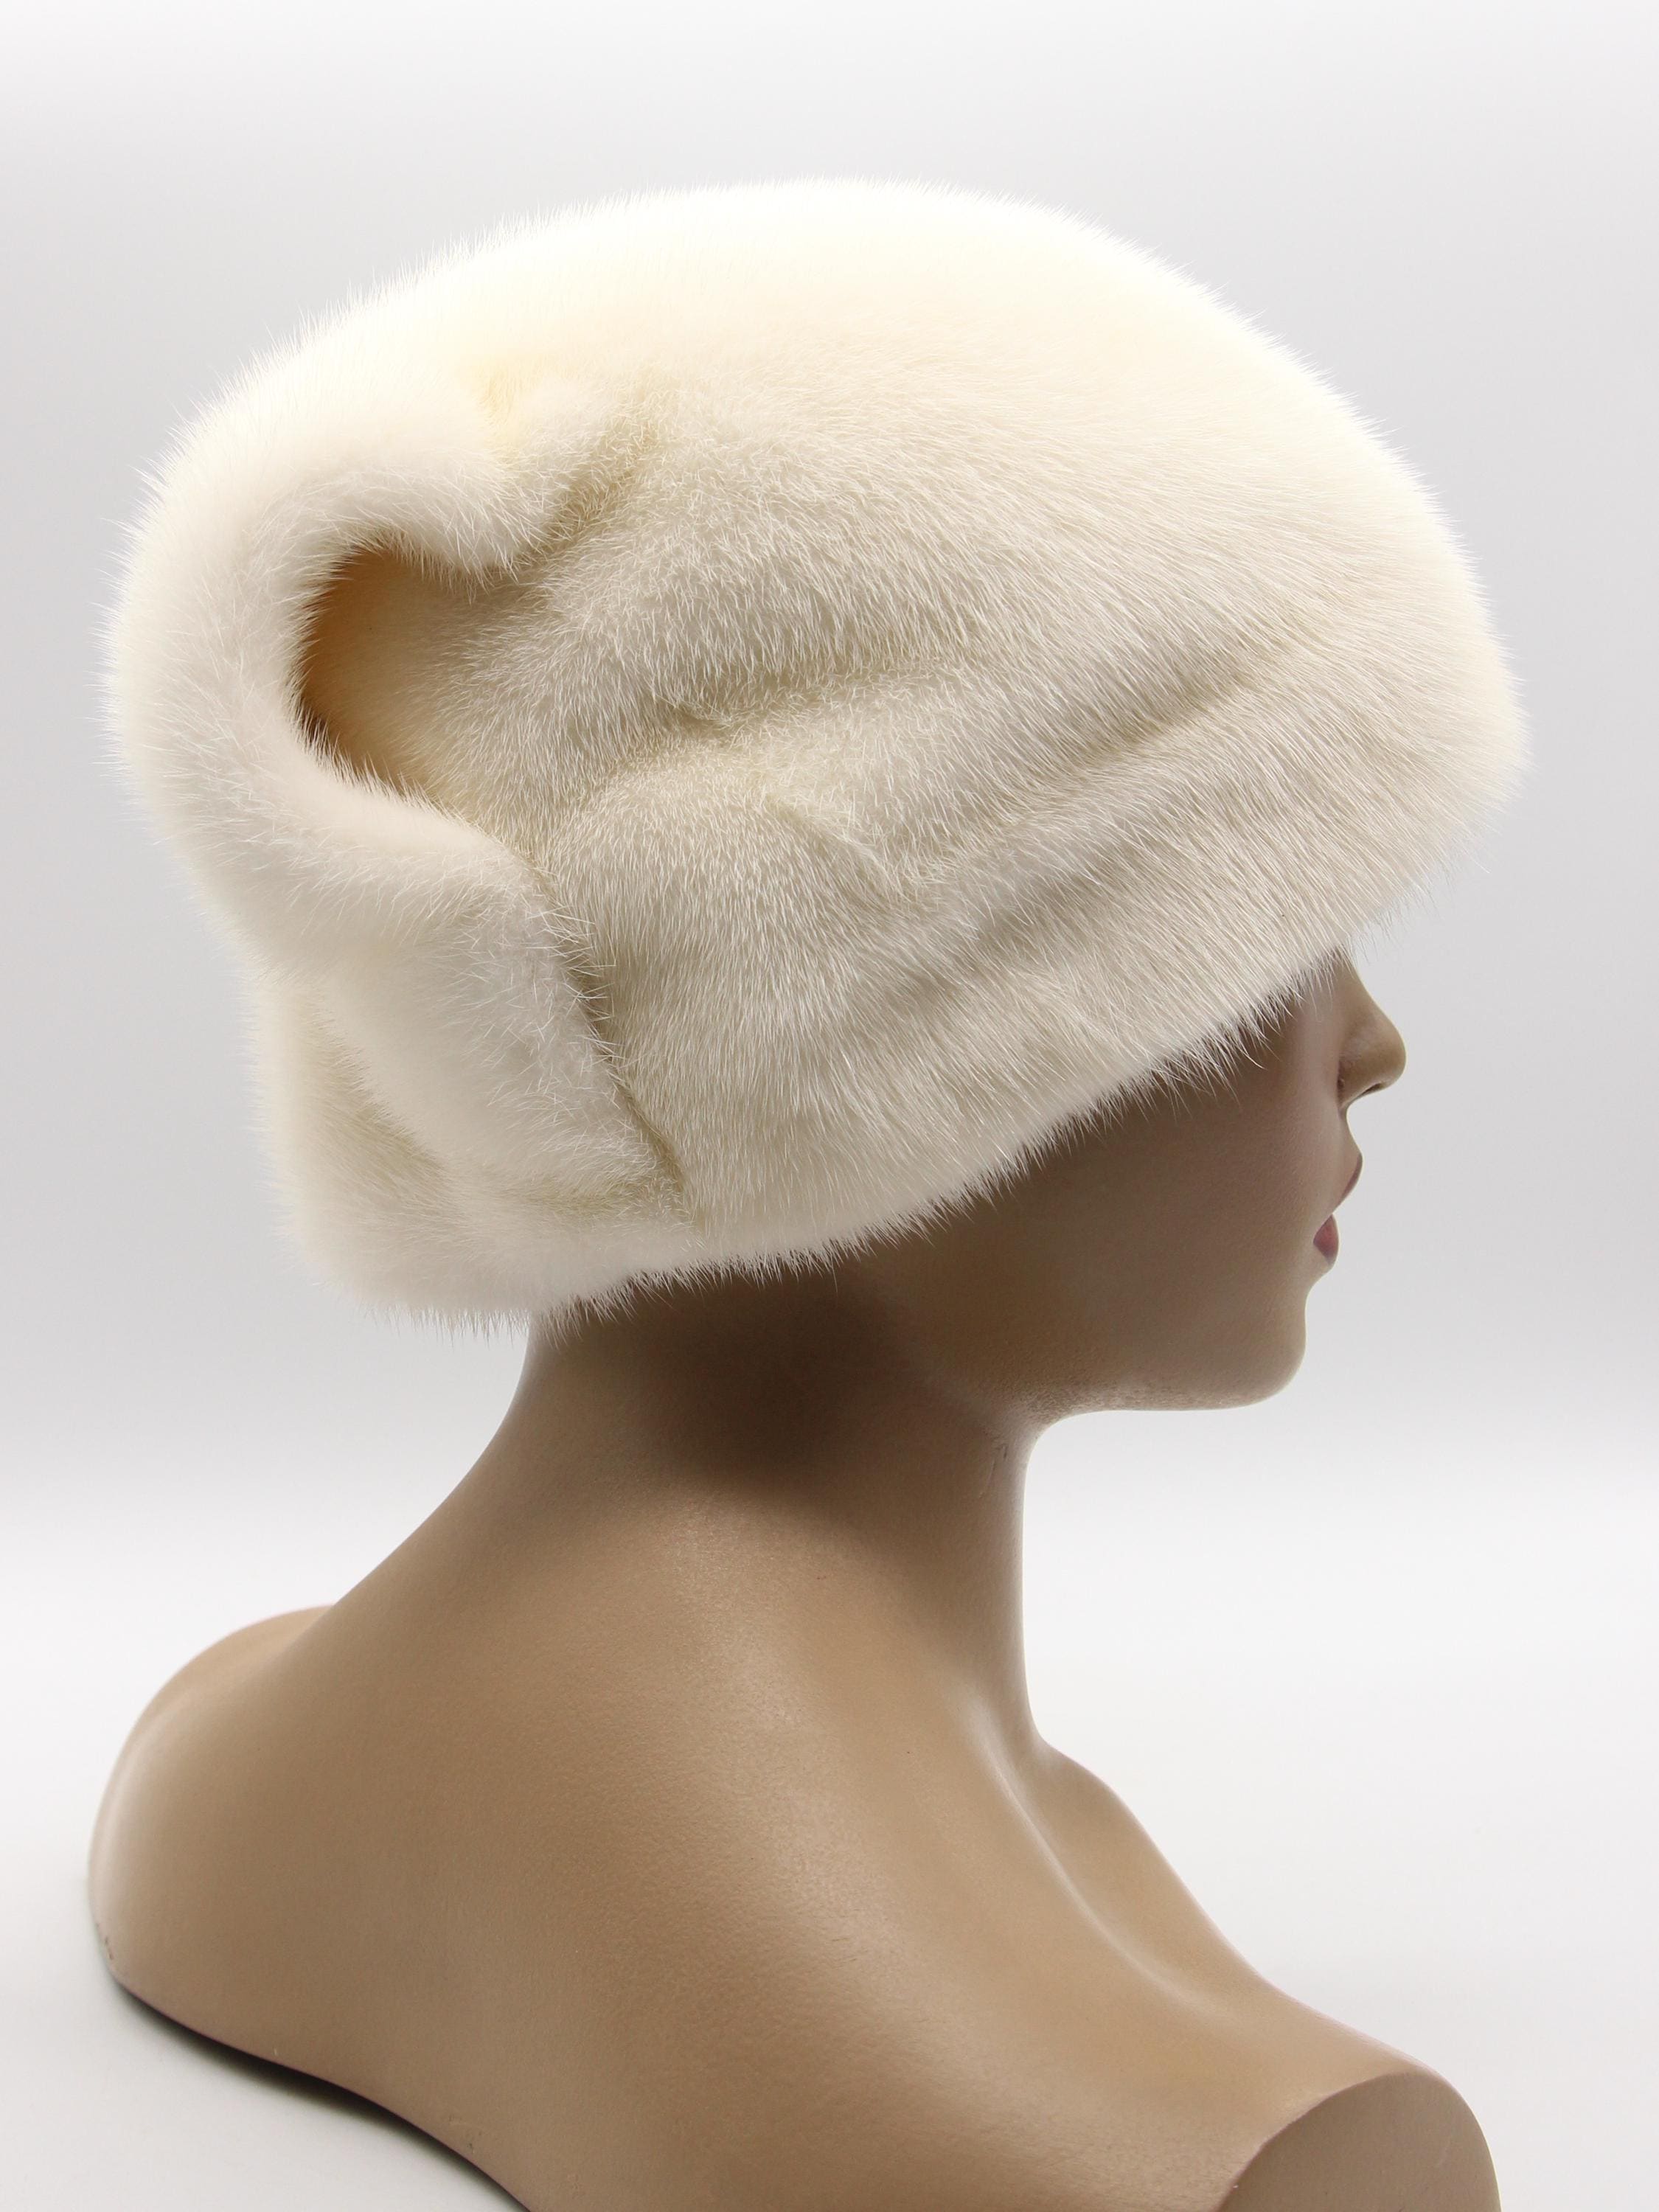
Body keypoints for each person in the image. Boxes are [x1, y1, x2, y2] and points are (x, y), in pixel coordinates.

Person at [91, 178, 1529, 2210]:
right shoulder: (1170, 2155)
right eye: (1261, 932)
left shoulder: (229, 1740)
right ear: (861, 1070)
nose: (1367, 1043)